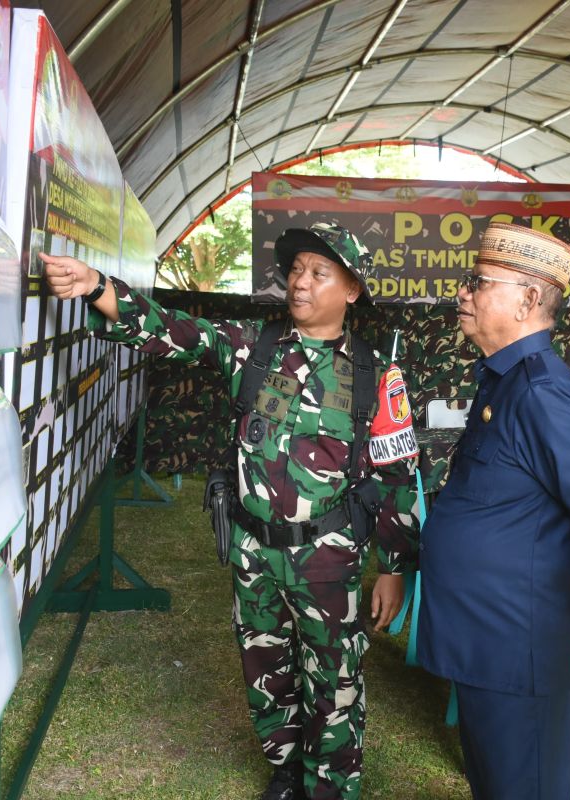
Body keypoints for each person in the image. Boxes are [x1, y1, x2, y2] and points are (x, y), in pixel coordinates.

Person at [41, 223, 421, 800]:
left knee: (335, 679)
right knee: (264, 665)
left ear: (351, 290)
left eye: (319, 273)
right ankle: (286, 771)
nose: (300, 283)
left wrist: (394, 568)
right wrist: (97, 286)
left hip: (328, 556)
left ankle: (331, 785)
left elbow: (396, 479)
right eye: (296, 270)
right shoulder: (254, 347)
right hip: (254, 551)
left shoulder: (376, 375)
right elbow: (174, 330)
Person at [417, 222, 570, 799]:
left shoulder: (541, 391)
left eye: (479, 282)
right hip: (486, 637)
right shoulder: (505, 381)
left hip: (515, 641)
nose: (463, 294)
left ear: (527, 300)